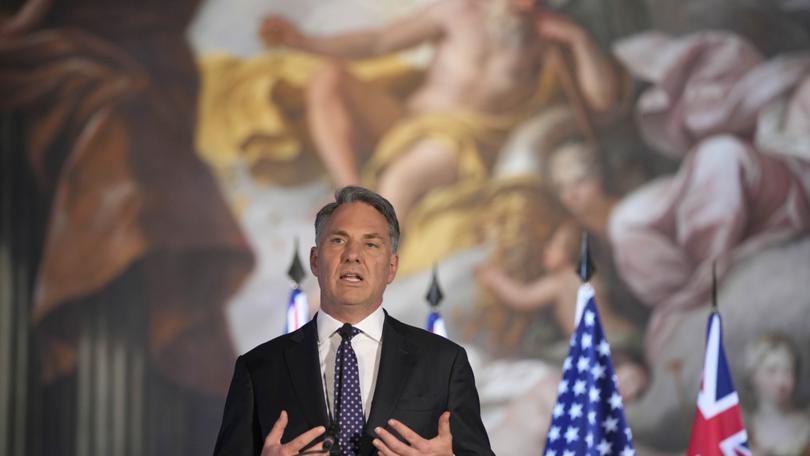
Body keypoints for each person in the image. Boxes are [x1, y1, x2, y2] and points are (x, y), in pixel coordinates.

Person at [259, 0, 618, 221]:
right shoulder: (458, 11)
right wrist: (303, 42)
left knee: (402, 179)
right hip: (408, 122)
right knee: (328, 79)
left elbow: (603, 100)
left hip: (461, 142)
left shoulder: (545, 40)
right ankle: (349, 191)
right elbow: (377, 42)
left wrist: (577, 39)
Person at [213, 186, 493, 455]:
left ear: (392, 267)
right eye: (338, 241)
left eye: (370, 244)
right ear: (314, 260)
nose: (353, 256)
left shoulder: (444, 363)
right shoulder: (258, 369)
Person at [744, 333, 810, 456]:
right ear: (752, 377)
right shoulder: (741, 429)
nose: (781, 382)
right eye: (771, 371)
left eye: (788, 371)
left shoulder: (806, 426)